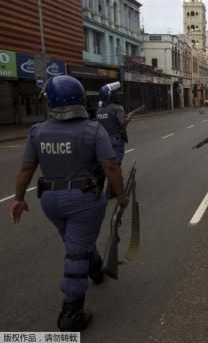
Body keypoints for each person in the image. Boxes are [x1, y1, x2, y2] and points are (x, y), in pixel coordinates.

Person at [9, 75, 128, 331]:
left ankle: (95, 269)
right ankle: (71, 313)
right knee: (75, 251)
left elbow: (26, 169)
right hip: (84, 200)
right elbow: (110, 166)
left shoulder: (37, 131)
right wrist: (121, 195)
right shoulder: (93, 129)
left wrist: (18, 199)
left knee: (76, 241)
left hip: (50, 201)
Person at [96, 82, 131, 198]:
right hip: (115, 139)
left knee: (104, 165)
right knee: (115, 165)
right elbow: (122, 123)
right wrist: (128, 119)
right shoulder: (117, 108)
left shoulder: (99, 110)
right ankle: (113, 190)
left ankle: (99, 189)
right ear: (110, 96)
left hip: (102, 140)